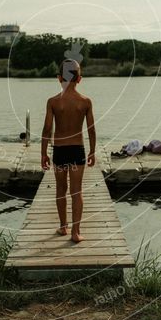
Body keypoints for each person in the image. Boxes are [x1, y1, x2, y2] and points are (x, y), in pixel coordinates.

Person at [40, 58, 96, 243]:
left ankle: (64, 227)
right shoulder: (85, 101)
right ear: (79, 79)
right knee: (77, 192)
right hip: (77, 150)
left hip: (60, 152)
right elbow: (91, 129)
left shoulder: (53, 102)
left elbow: (47, 129)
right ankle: (76, 232)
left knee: (60, 190)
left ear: (59, 78)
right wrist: (92, 151)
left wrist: (43, 153)